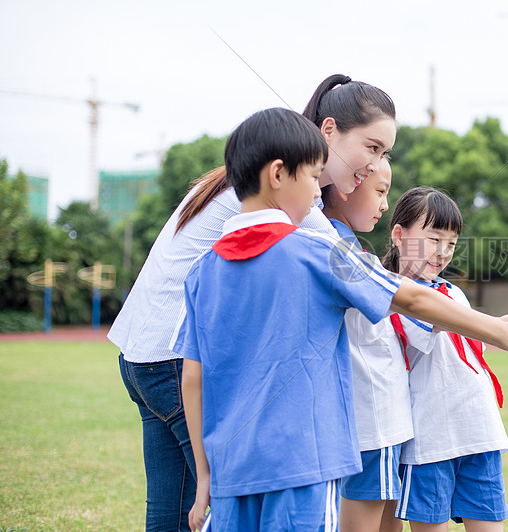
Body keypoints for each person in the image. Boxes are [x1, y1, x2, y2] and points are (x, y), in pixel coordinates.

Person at [175, 108, 508, 531]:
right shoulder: (320, 253)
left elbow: (193, 377)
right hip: (305, 470)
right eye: (313, 179)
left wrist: (204, 473)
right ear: (278, 175)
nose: (319, 196)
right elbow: (411, 297)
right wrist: (502, 332)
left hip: (230, 471)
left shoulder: (200, 271)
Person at [108, 73, 399, 531]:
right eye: (372, 147)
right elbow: (369, 279)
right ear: (328, 133)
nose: (374, 164)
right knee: (223, 511)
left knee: (170, 515)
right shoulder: (293, 201)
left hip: (139, 357)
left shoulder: (243, 178)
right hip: (176, 360)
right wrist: (491, 327)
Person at [385, 187, 508, 531]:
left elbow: (469, 336)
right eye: (433, 239)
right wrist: (504, 328)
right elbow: (437, 322)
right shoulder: (393, 294)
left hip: (479, 431)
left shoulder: (452, 292)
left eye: (451, 243)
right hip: (429, 442)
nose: (443, 253)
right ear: (399, 235)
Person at [322, 159, 406, 532]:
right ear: (347, 184)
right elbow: (417, 305)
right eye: (381, 191)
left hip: (355, 422)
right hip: (374, 423)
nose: (385, 204)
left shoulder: (329, 242)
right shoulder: (343, 252)